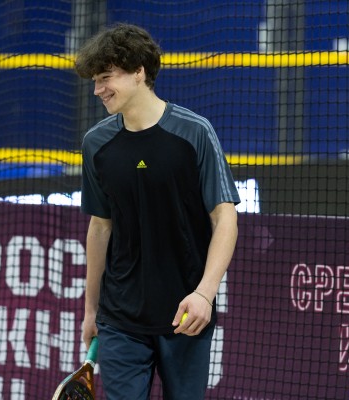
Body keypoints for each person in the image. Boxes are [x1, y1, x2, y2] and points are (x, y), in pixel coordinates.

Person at [75, 23, 240, 399]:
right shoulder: (96, 143)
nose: (98, 89)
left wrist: (205, 294)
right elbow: (100, 227)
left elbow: (225, 217)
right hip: (120, 319)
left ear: (138, 71)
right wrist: (91, 311)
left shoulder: (194, 132)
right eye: (95, 80)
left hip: (186, 314)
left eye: (105, 77)